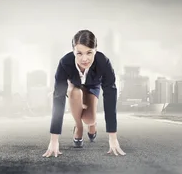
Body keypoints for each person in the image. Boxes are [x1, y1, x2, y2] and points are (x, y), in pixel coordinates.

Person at [43, 29, 126, 157]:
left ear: (95, 50)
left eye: (89, 53)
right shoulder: (65, 62)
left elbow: (110, 95)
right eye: (79, 53)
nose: (84, 59)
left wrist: (113, 138)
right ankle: (78, 127)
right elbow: (58, 96)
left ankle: (92, 123)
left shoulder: (103, 62)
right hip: (75, 86)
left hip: (93, 87)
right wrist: (54, 141)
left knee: (90, 119)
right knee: (74, 93)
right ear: (73, 51)